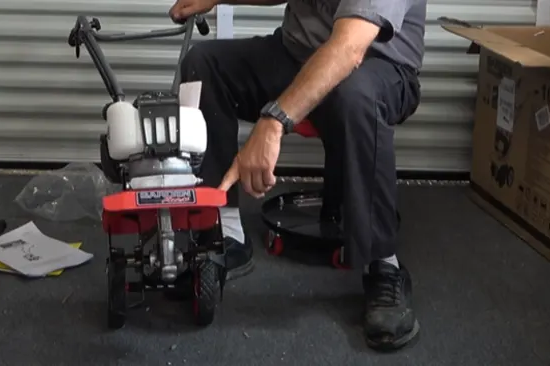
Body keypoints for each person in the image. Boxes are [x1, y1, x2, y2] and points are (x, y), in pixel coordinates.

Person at [171, 0, 425, 351]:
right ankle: (222, 230)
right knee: (204, 63)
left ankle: (383, 265)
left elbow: (349, 47)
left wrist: (273, 121)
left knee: (356, 97)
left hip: (376, 65)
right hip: (296, 54)